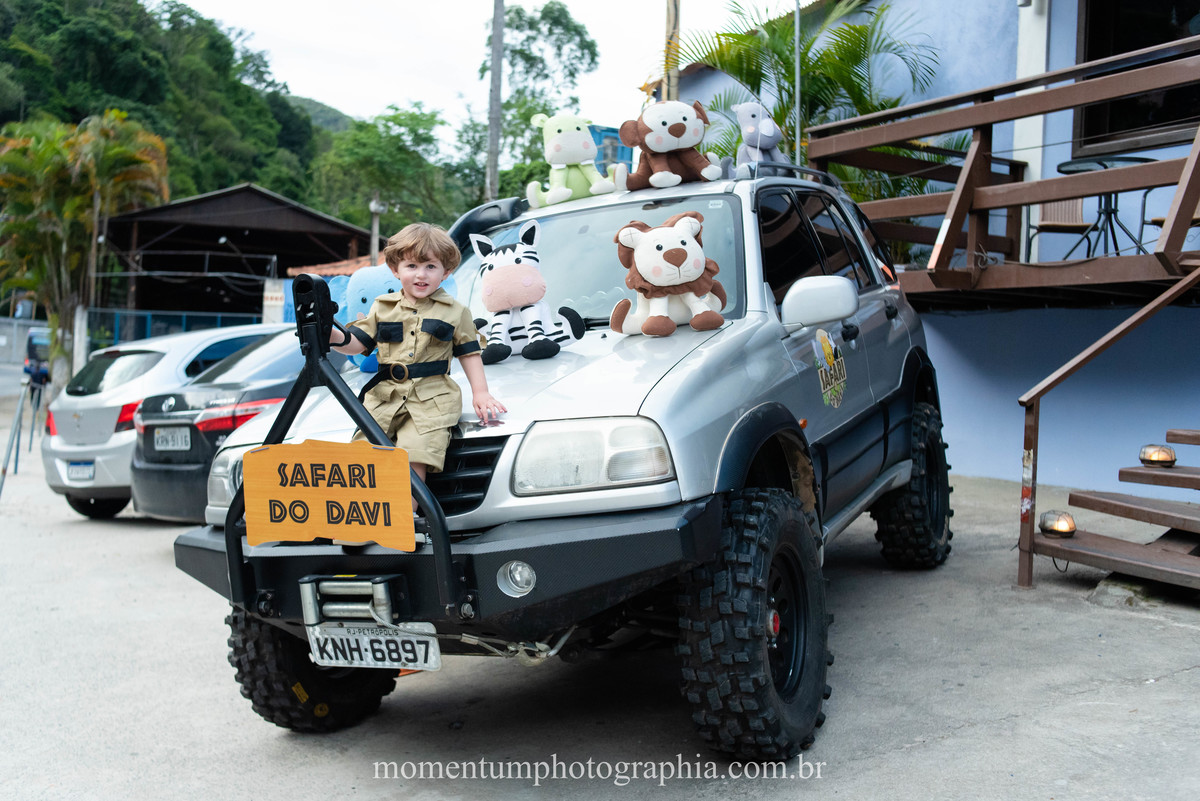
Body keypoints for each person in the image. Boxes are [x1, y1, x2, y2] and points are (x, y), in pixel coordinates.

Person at [330, 222, 505, 483]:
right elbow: (357, 343)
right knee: (364, 461)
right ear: (395, 269)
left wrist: (480, 392)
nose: (421, 275)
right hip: (383, 399)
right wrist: (329, 335)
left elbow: (469, 353)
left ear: (446, 271)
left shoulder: (456, 312)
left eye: (430, 267)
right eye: (411, 266)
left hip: (430, 402)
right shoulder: (382, 307)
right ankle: (371, 521)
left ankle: (408, 521)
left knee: (413, 465)